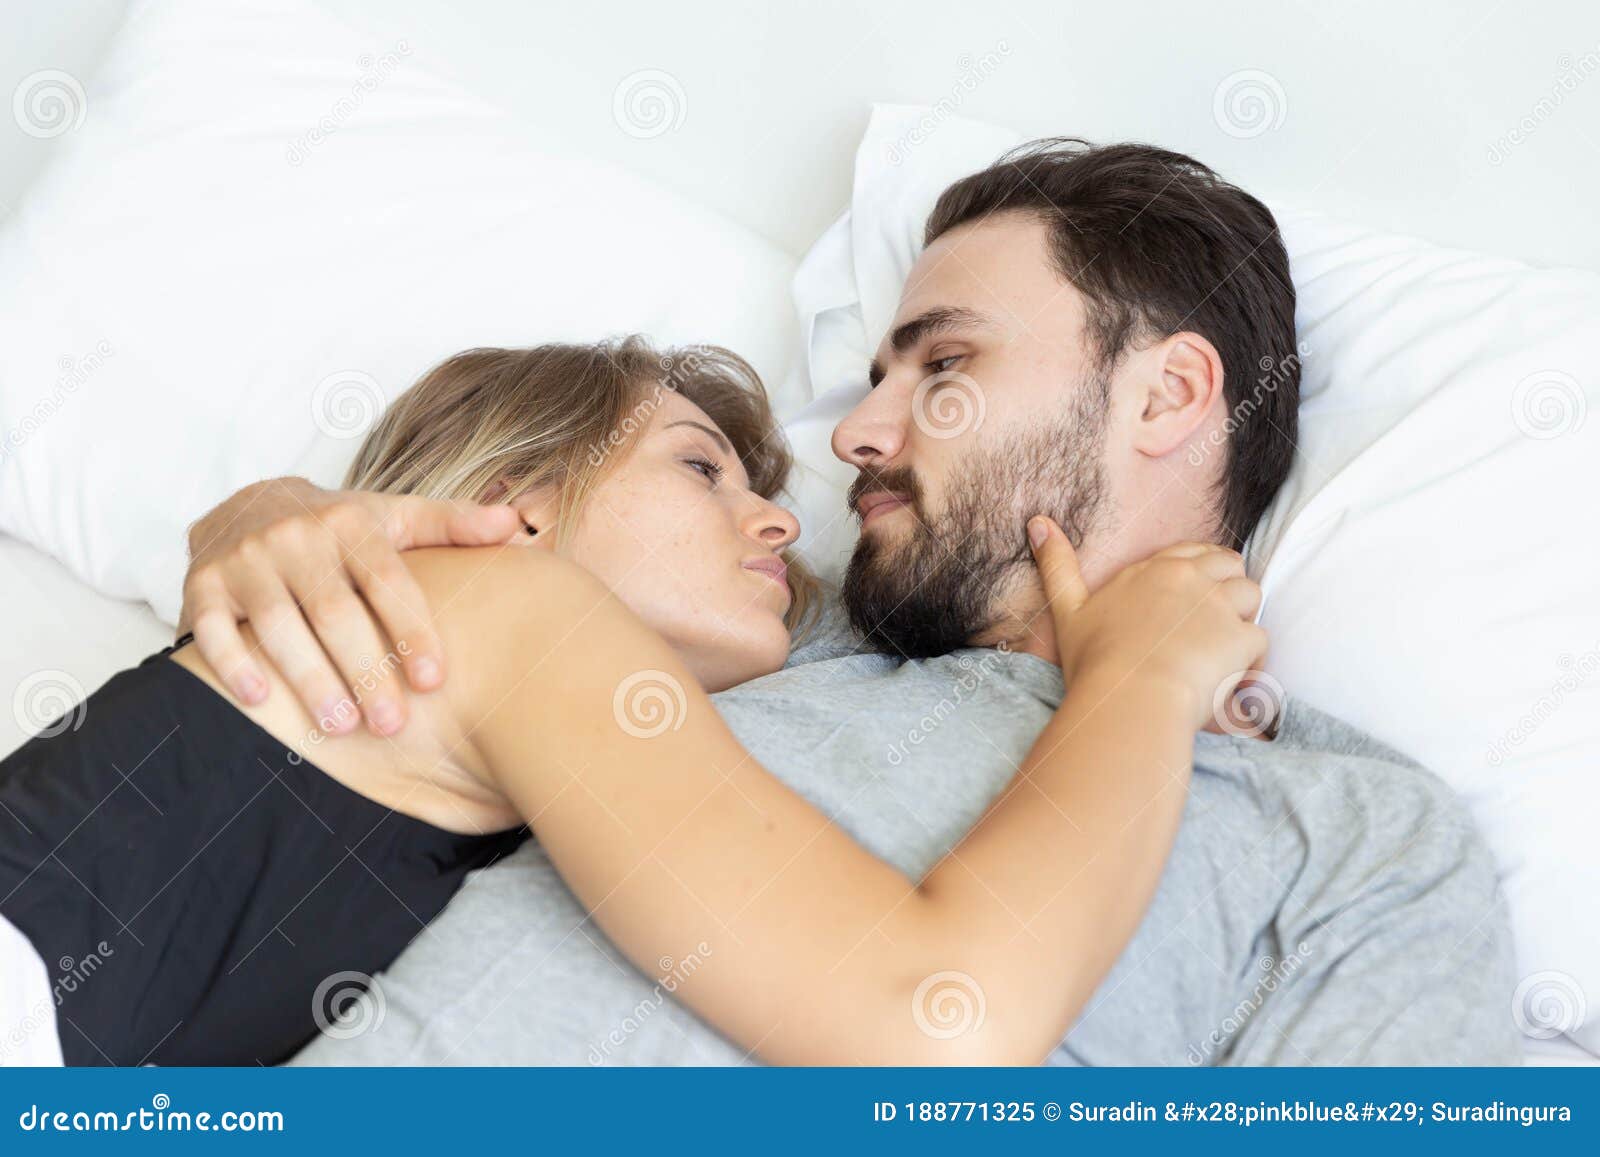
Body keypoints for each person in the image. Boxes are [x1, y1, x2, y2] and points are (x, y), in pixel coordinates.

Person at [188, 141, 1523, 1067]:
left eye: (946, 362)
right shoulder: (769, 638)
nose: (857, 435)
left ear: (1168, 396)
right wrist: (267, 510)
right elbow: (478, 517)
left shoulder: (1361, 837)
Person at [0, 334, 1258, 1068]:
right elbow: (936, 1016)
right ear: (521, 506)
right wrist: (1142, 672)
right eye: (699, 466)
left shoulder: (449, 726)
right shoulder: (503, 607)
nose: (776, 518)